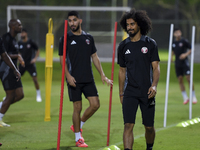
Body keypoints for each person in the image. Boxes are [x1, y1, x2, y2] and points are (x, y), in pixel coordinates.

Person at [59, 11, 112, 147]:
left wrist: (102, 74)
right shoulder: (65, 38)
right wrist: (68, 76)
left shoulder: (88, 37)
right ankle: (78, 138)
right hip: (74, 79)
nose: (72, 23)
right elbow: (62, 59)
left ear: (80, 21)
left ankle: (79, 124)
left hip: (88, 78)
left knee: (95, 104)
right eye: (70, 21)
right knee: (77, 107)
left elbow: (94, 56)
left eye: (74, 20)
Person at [117, 8, 160, 150]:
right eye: (128, 25)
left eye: (132, 24)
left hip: (147, 92)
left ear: (139, 25)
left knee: (149, 127)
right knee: (128, 125)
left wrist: (154, 85)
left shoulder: (150, 43)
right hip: (130, 92)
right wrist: (121, 92)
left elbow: (156, 68)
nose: (129, 27)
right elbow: (122, 71)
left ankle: (149, 147)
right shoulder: (123, 46)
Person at [0, 19, 24, 127]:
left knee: (20, 94)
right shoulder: (6, 38)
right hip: (6, 70)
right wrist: (18, 56)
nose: (21, 26)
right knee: (10, 96)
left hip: (13, 70)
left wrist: (16, 67)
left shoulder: (14, 40)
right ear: (13, 26)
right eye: (19, 25)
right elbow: (4, 55)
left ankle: (1, 105)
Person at [172, 28, 197, 104]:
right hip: (177, 63)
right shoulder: (173, 42)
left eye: (179, 32)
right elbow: (172, 50)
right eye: (176, 32)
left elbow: (192, 48)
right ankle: (185, 97)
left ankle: (193, 96)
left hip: (185, 62)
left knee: (188, 78)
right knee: (180, 79)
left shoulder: (184, 41)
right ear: (174, 34)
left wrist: (185, 54)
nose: (178, 34)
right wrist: (171, 57)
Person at [18, 28, 42, 102]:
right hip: (22, 64)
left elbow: (38, 50)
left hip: (30, 64)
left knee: (35, 79)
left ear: (26, 34)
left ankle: (38, 94)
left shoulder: (31, 42)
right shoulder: (19, 43)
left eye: (23, 33)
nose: (22, 34)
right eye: (21, 33)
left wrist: (35, 58)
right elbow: (18, 53)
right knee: (16, 78)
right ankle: (11, 94)